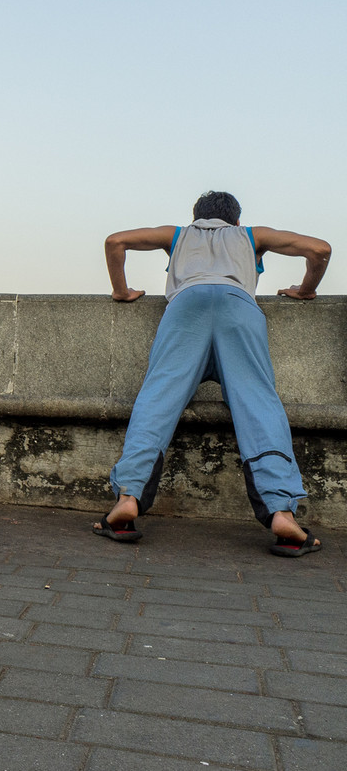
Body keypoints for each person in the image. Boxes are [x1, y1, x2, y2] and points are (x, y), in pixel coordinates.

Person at [96, 191, 331, 557]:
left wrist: (121, 290)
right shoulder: (251, 235)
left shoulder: (177, 235)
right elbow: (320, 250)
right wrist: (305, 290)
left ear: (196, 218)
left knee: (157, 399)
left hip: (185, 309)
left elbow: (116, 242)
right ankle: (281, 512)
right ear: (235, 220)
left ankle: (128, 498)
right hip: (239, 310)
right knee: (259, 404)